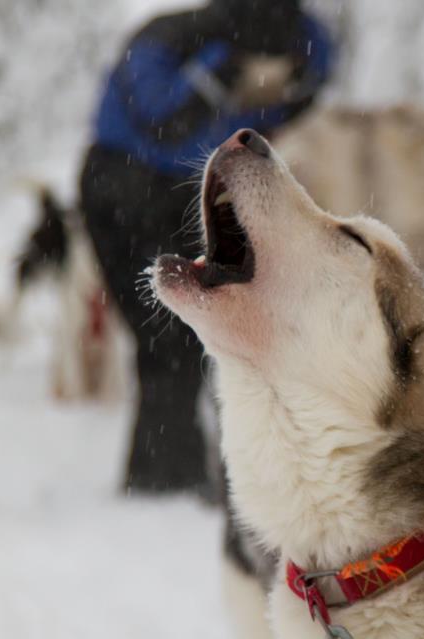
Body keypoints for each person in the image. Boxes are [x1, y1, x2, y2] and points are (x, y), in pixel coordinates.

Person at [80, 0, 333, 494]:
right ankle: (171, 478)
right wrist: (223, 71)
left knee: (204, 334)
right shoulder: (167, 37)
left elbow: (315, 67)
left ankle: (186, 473)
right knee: (166, 336)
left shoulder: (296, 34)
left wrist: (291, 80)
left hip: (192, 188)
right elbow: (160, 119)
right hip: (122, 187)